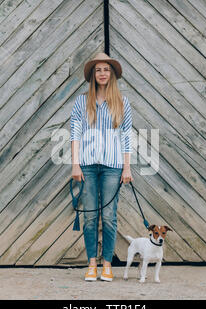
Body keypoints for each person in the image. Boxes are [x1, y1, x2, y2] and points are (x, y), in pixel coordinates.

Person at [70, 52, 133, 282]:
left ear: (112, 74)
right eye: (98, 70)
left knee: (108, 216)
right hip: (86, 166)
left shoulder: (122, 103)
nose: (103, 73)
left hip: (112, 167)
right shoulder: (81, 102)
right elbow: (75, 134)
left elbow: (126, 137)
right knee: (89, 217)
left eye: (106, 69)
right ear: (93, 75)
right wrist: (75, 164)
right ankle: (91, 264)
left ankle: (107, 264)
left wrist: (127, 168)